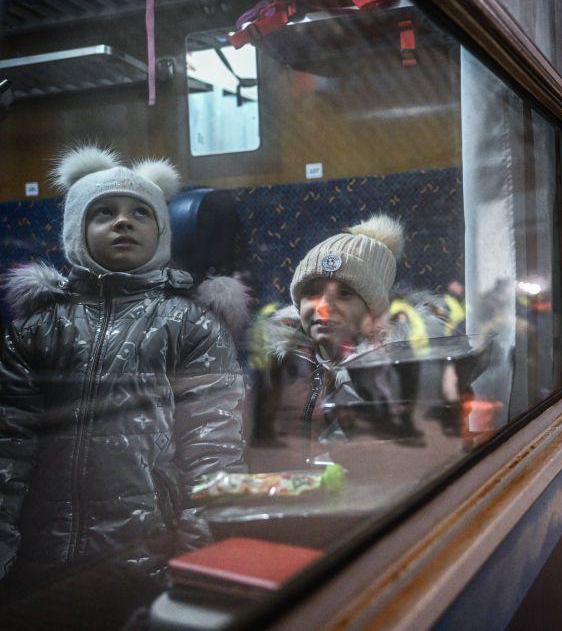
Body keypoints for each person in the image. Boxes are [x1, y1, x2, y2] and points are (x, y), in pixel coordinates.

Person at [0, 146, 248, 588]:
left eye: (140, 212)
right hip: (41, 560)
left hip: (149, 557)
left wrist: (202, 554)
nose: (122, 221)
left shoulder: (191, 326)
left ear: (161, 233)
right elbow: (8, 447)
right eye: (103, 213)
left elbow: (213, 448)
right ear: (76, 231)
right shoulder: (37, 330)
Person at [248, 214, 448, 469]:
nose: (323, 309)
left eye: (344, 294)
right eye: (312, 292)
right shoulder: (279, 363)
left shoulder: (403, 375)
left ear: (374, 311)